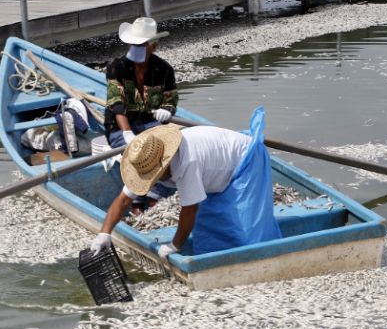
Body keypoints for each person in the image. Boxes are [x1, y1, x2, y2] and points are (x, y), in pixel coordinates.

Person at [90, 106, 282, 260]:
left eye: (154, 175)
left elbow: (189, 209)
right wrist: (104, 233)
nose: (152, 180)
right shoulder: (146, 159)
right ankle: (217, 260)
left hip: (246, 160)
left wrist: (175, 245)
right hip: (214, 168)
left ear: (164, 163)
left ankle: (261, 260)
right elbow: (123, 200)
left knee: (246, 224)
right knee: (211, 224)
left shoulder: (187, 162)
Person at [104, 17, 179, 212]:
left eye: (142, 44)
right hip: (119, 126)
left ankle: (156, 195)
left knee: (171, 149)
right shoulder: (116, 67)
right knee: (138, 151)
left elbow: (170, 100)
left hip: (150, 123)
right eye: (134, 44)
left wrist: (167, 111)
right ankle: (136, 200)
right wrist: (128, 134)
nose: (137, 48)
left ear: (153, 46)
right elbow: (116, 103)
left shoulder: (164, 69)